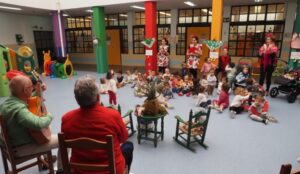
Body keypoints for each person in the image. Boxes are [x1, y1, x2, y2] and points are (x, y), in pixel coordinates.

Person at [61, 75, 134, 174]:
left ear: (76, 99)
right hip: (111, 170)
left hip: (80, 171)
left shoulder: (66, 119)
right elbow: (123, 138)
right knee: (128, 146)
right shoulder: (113, 115)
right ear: (98, 97)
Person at [0, 75, 63, 173]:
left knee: (44, 131)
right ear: (25, 90)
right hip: (21, 148)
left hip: (9, 144)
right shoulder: (20, 110)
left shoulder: (8, 102)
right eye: (31, 87)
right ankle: (62, 170)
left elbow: (27, 99)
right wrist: (49, 116)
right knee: (63, 139)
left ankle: (46, 159)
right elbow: (38, 124)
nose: (33, 88)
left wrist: (37, 92)